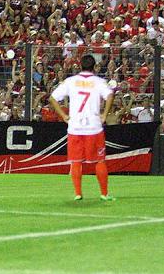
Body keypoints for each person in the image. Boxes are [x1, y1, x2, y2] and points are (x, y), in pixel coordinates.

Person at [49, 55, 115, 202]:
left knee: (76, 161)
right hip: (94, 127)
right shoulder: (98, 82)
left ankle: (78, 193)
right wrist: (104, 115)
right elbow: (110, 95)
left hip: (75, 127)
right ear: (94, 67)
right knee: (100, 161)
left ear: (80, 66)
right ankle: (104, 193)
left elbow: (52, 98)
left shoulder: (71, 81)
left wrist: (63, 116)